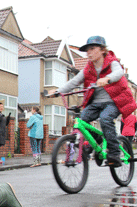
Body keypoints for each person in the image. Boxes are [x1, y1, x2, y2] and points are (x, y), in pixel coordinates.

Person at [49, 36, 137, 167]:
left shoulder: (111, 61)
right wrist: (58, 91)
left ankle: (114, 153)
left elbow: (118, 73)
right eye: (87, 50)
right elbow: (74, 82)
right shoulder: (88, 68)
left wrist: (107, 78)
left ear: (102, 50)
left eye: (92, 49)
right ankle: (97, 141)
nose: (88, 52)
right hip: (95, 103)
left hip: (114, 101)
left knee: (105, 118)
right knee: (82, 120)